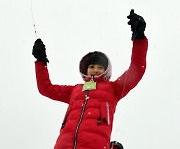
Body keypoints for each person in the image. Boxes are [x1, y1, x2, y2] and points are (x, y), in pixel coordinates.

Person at [32, 9, 148, 149]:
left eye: (100, 67)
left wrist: (139, 37)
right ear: (85, 69)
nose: (95, 70)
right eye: (92, 66)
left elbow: (136, 69)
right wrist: (40, 61)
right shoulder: (75, 90)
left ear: (106, 70)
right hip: (64, 145)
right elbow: (46, 88)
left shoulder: (113, 89)